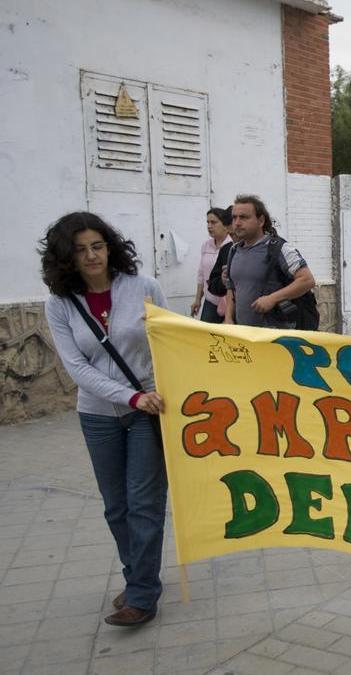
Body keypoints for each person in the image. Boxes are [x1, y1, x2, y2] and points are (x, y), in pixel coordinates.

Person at [40, 212, 168, 627]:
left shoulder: (144, 288)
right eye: (80, 250)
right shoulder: (60, 304)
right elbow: (77, 368)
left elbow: (171, 342)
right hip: (98, 416)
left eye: (97, 245)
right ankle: (138, 579)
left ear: (110, 246)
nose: (92, 255)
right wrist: (129, 396)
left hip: (148, 412)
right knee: (116, 508)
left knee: (144, 505)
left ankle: (143, 596)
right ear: (66, 258)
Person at [224, 195, 317, 329]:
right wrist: (228, 318)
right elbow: (231, 289)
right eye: (234, 217)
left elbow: (307, 280)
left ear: (261, 220)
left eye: (244, 217)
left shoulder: (279, 248)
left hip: (276, 335)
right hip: (244, 334)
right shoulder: (233, 251)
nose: (237, 223)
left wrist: (272, 298)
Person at [191, 207, 232, 323]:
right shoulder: (206, 246)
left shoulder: (232, 246)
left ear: (226, 225)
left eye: (213, 222)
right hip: (210, 301)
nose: (209, 226)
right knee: (207, 337)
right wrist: (198, 299)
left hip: (228, 301)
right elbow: (201, 274)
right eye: (207, 222)